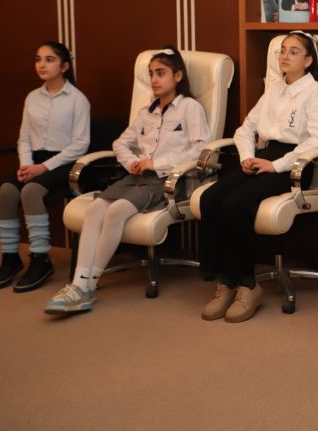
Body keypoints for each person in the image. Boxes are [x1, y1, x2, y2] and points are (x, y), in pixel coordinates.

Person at [44, 47, 208, 314]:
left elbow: (200, 150)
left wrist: (157, 163)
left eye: (161, 73)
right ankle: (77, 284)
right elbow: (120, 143)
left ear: (177, 76)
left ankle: (88, 286)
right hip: (136, 177)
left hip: (168, 182)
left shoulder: (190, 108)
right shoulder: (146, 112)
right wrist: (131, 162)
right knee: (96, 208)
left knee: (116, 210)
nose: (154, 80)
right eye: (151, 74)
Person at [198, 32, 318, 323]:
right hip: (264, 156)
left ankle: (247, 284)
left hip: (295, 165)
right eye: (282, 50)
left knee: (235, 203)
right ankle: (226, 280)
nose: (285, 56)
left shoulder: (314, 92)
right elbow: (245, 129)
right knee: (211, 197)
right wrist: (247, 158)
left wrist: (277, 165)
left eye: (294, 52)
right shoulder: (274, 89)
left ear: (308, 61)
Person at [0, 41, 90, 292]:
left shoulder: (78, 100)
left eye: (49, 59)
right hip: (34, 161)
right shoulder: (32, 98)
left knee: (31, 191)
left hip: (63, 162)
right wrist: (26, 165)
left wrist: (43, 167)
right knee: (6, 191)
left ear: (64, 66)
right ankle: (10, 257)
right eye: (38, 59)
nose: (41, 65)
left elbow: (80, 145)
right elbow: (24, 138)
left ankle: (40, 259)